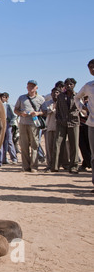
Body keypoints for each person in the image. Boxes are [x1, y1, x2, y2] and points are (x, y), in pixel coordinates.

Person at [14, 80, 45, 172]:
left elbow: (45, 112)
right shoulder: (21, 98)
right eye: (29, 86)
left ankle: (34, 167)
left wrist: (37, 113)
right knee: (24, 146)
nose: (31, 87)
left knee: (35, 145)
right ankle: (25, 166)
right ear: (26, 87)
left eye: (33, 86)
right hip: (23, 123)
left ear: (36, 88)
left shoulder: (41, 99)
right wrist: (21, 113)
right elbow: (15, 110)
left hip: (34, 124)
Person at [53, 78, 80, 174]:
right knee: (58, 143)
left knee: (74, 145)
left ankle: (73, 167)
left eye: (71, 84)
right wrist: (59, 120)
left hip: (74, 122)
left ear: (74, 85)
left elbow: (80, 108)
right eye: (67, 84)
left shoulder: (77, 96)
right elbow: (58, 110)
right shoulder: (60, 96)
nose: (69, 86)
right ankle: (55, 166)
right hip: (61, 123)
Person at [75, 59, 94, 191]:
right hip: (92, 124)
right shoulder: (88, 86)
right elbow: (77, 97)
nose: (92, 69)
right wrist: (82, 108)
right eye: (90, 67)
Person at [0, 92, 18, 168]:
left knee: (9, 141)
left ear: (6, 98)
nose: (1, 98)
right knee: (0, 142)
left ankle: (14, 158)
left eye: (3, 97)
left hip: (7, 124)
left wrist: (10, 123)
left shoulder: (8, 105)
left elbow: (14, 116)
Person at [42, 87, 62, 172]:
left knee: (58, 148)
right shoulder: (47, 103)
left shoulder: (62, 103)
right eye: (54, 92)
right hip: (49, 127)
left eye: (57, 92)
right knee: (49, 147)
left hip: (60, 128)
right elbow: (45, 112)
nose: (55, 94)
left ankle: (57, 165)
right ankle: (49, 165)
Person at [78, 96, 91, 172]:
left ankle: (87, 163)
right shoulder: (80, 105)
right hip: (81, 127)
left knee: (90, 147)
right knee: (83, 147)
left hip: (90, 127)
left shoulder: (91, 105)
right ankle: (86, 163)